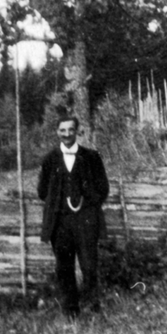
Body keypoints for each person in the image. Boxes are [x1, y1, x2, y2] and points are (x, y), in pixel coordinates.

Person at [37, 115, 110, 315]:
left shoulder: (91, 157)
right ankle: (71, 311)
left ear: (77, 131)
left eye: (71, 130)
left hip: (86, 221)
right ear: (57, 132)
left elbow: (103, 188)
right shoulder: (50, 160)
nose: (67, 134)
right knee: (64, 268)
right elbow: (42, 192)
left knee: (89, 266)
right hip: (60, 223)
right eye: (63, 130)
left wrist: (86, 204)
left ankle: (92, 307)